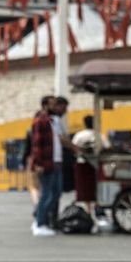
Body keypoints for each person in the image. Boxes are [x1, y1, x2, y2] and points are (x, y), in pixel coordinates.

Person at [29, 95, 63, 236]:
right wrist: (38, 163)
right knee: (46, 194)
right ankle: (40, 223)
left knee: (55, 193)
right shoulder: (40, 121)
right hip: (46, 163)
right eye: (53, 104)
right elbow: (37, 145)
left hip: (55, 161)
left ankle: (39, 216)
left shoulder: (52, 121)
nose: (55, 107)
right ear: (45, 105)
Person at [71, 115, 109, 231]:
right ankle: (98, 209)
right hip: (96, 166)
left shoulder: (79, 135)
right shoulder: (99, 135)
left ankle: (88, 211)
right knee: (96, 188)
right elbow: (107, 147)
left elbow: (73, 148)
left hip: (81, 165)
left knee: (85, 190)